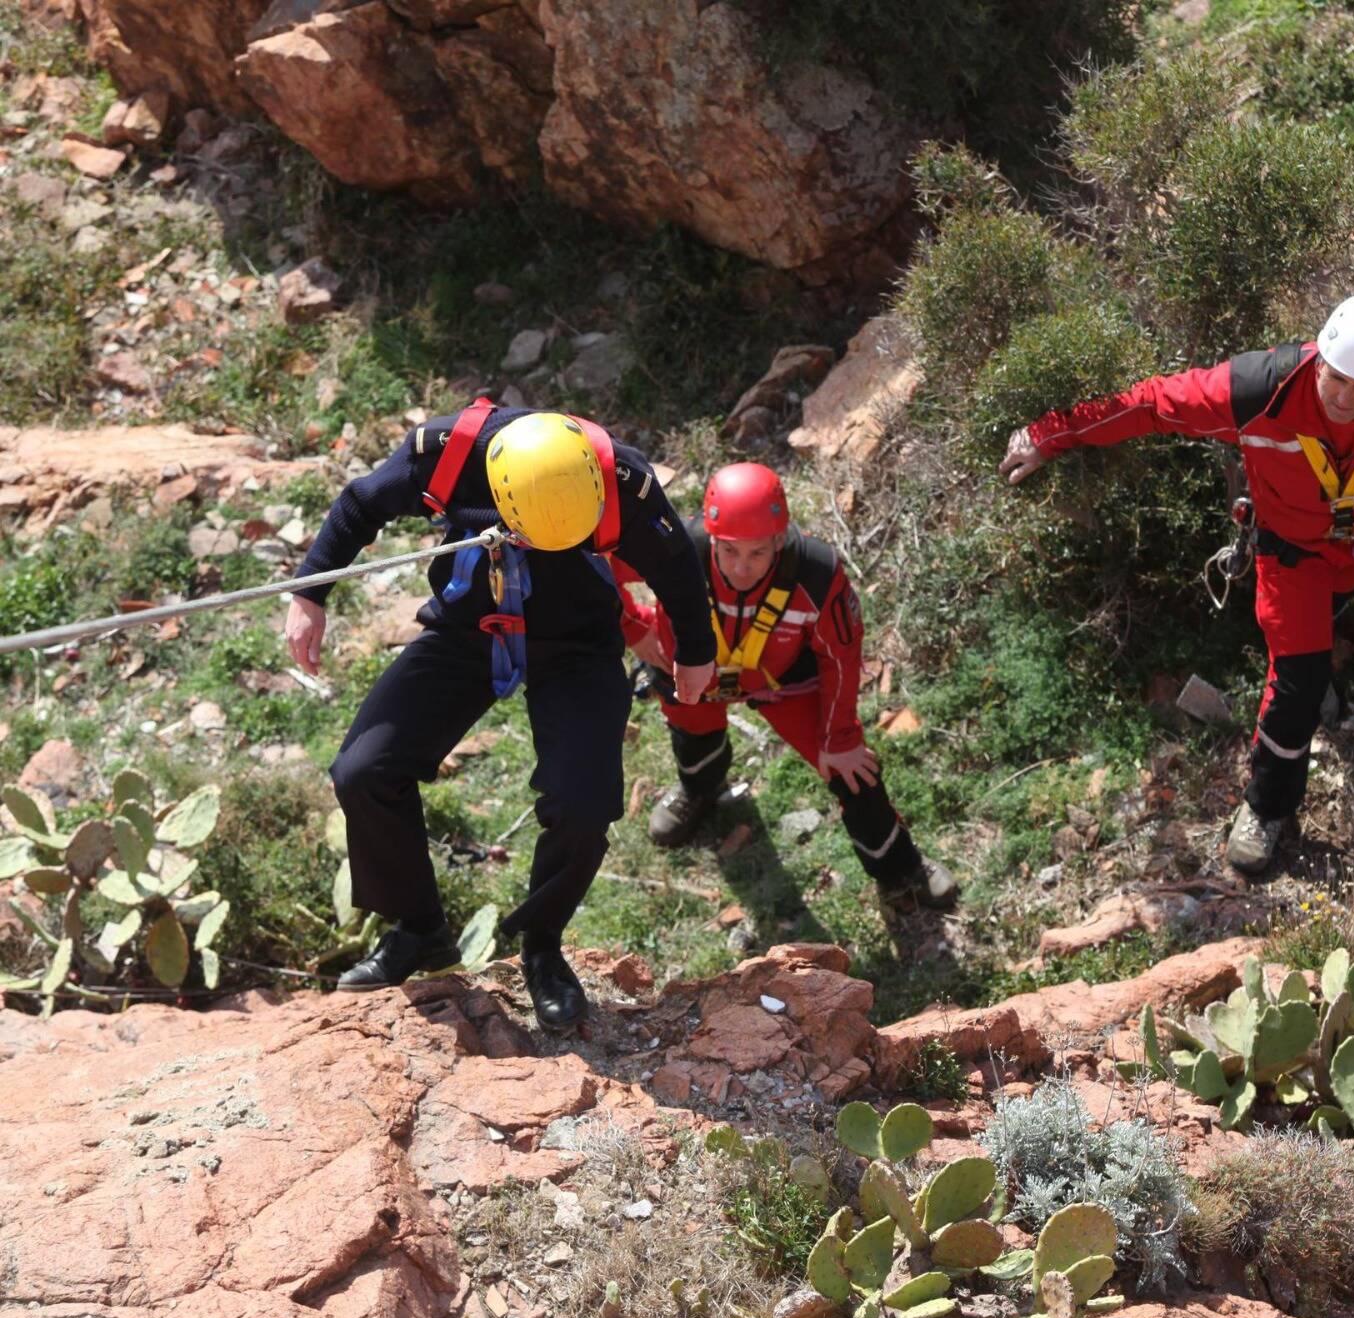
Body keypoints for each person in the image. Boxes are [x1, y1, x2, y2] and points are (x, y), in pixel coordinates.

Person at [999, 294, 1354, 876]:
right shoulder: (1257, 391)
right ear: (1319, 355)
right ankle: (1268, 809)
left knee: (1332, 626)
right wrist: (1048, 435)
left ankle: (1326, 672)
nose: (1341, 397)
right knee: (1295, 683)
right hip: (1294, 555)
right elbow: (1150, 404)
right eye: (1333, 377)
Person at [284, 402, 717, 1032]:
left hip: (576, 644)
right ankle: (420, 928)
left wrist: (697, 654)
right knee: (364, 771)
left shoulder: (624, 482)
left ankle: (541, 946)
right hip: (470, 629)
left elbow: (677, 569)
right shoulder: (448, 454)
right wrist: (308, 594)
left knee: (584, 804)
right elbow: (359, 504)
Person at [617, 462, 959, 923]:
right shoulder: (674, 548)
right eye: (730, 551)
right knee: (693, 738)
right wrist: (634, 626)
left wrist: (840, 737)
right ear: (712, 539)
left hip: (785, 684)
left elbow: (842, 657)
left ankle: (902, 871)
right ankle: (700, 790)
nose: (741, 568)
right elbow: (590, 565)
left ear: (780, 540)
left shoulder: (815, 575)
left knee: (854, 774)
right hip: (694, 676)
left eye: (757, 553)